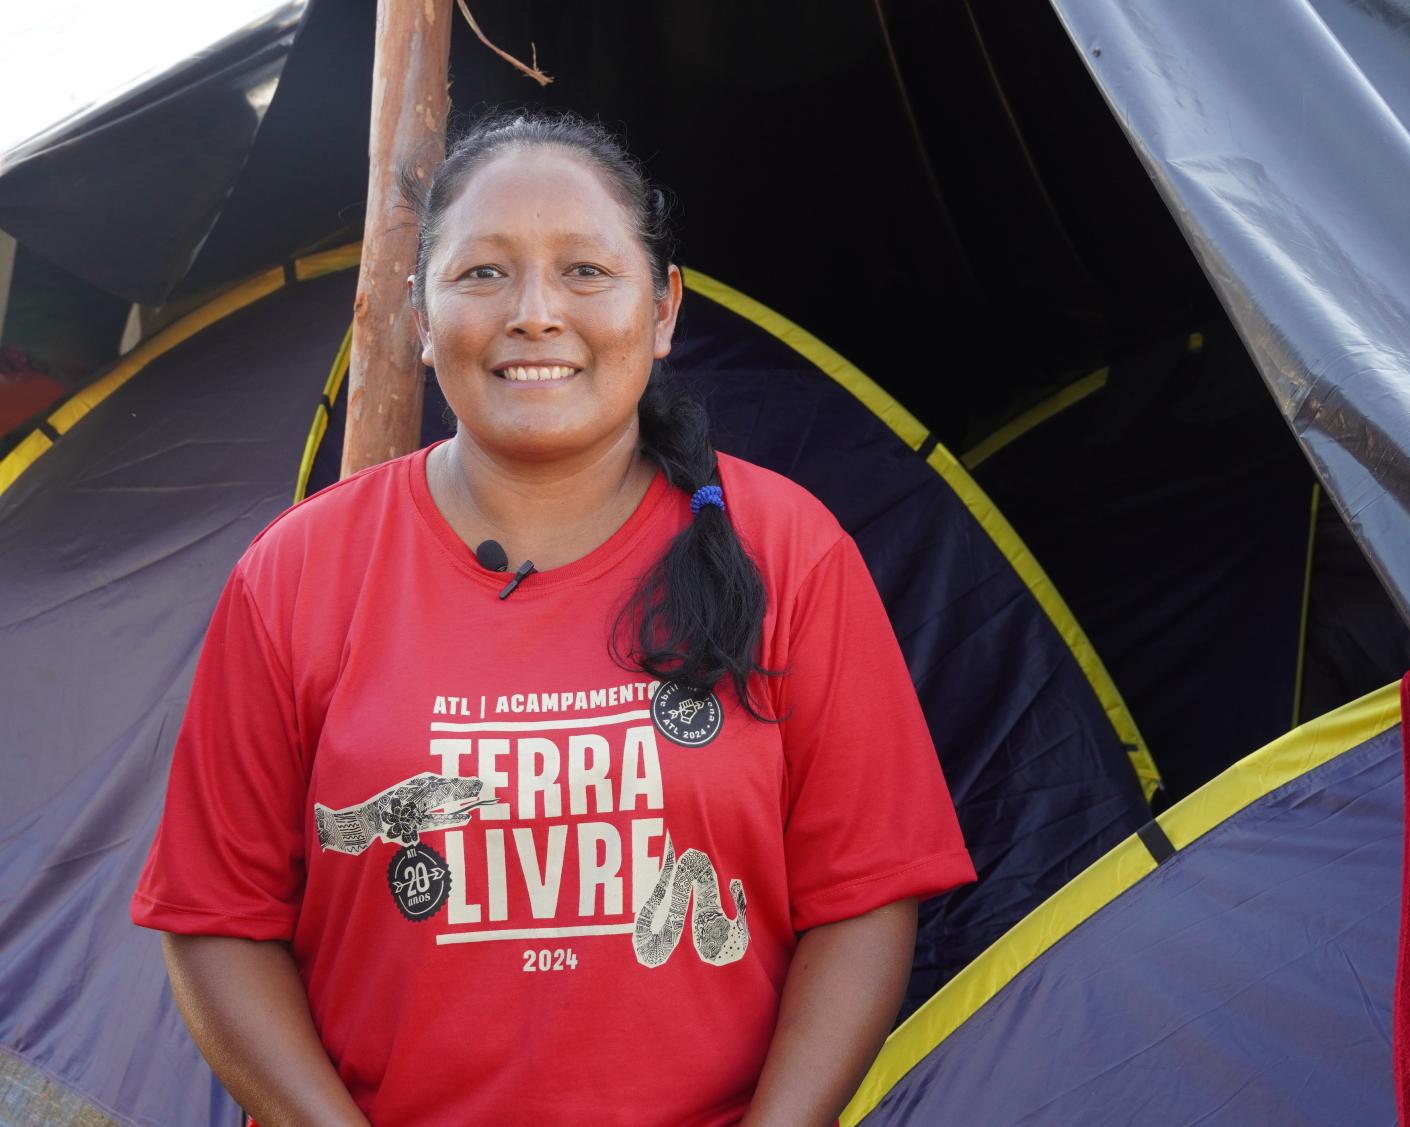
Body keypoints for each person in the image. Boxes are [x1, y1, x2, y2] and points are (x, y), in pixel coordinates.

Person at [130, 110, 975, 1126]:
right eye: (482, 273)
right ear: (417, 312)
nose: (534, 312)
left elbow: (864, 896)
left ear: (662, 310)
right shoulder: (296, 574)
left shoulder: (787, 550)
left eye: (584, 270)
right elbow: (215, 918)